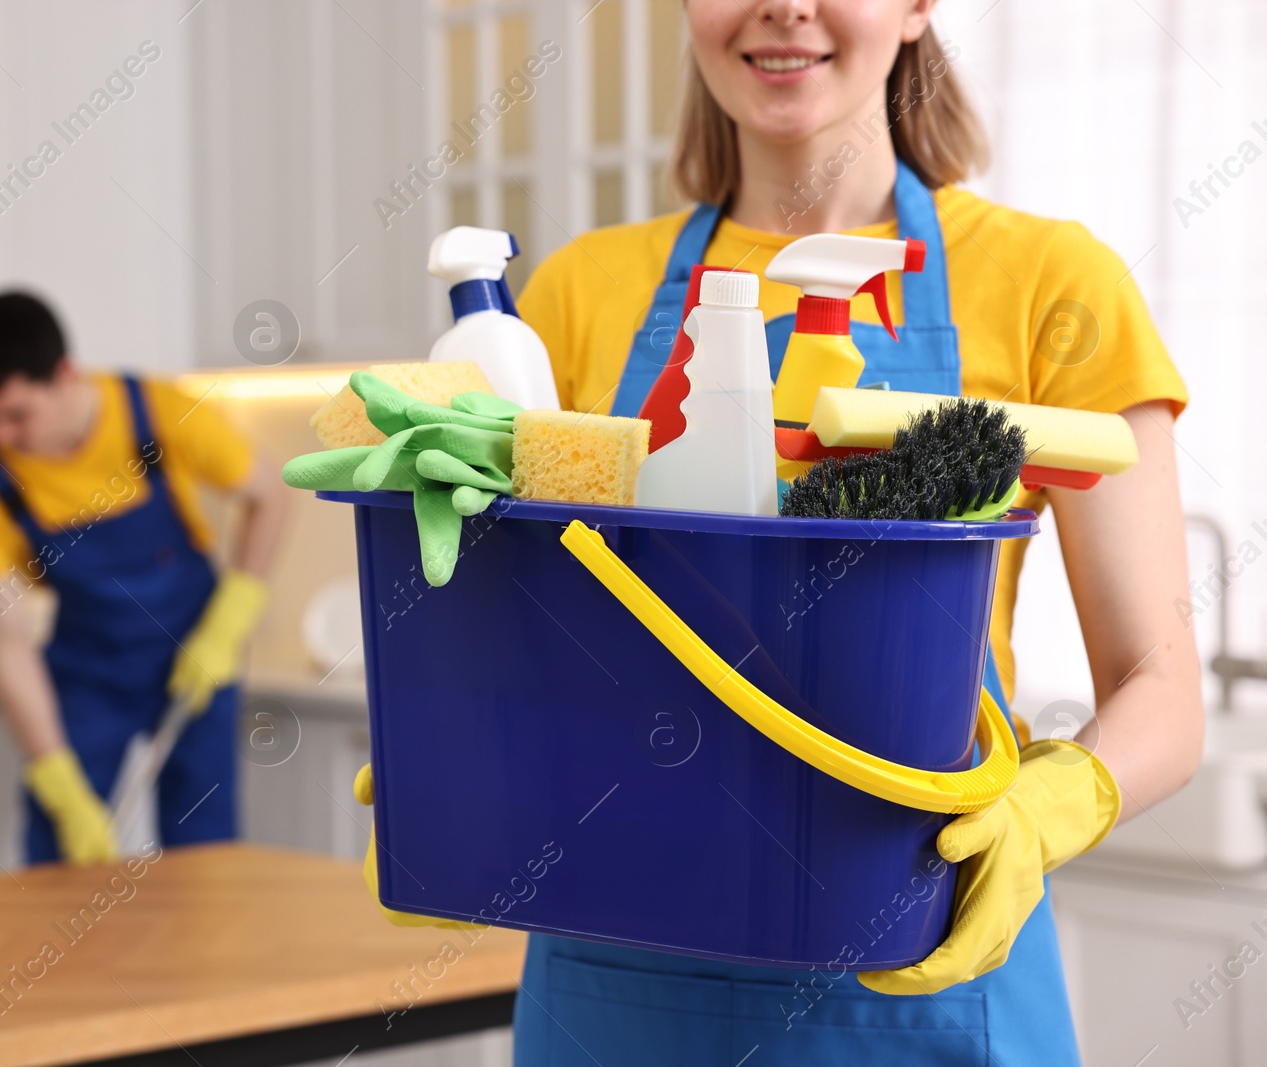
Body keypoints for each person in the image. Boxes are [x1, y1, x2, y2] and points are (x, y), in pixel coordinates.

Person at [510, 0, 1203, 1062]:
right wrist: (458, 730)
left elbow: (1158, 679)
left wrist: (1043, 810)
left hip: (917, 951)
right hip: (620, 965)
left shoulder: (1050, 283)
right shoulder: (575, 291)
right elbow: (531, 630)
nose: (785, 7)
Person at [0, 291, 287, 866]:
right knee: (57, 850)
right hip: (88, 670)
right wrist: (57, 780)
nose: (2, 436)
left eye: (18, 415)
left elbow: (269, 495)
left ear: (65, 375)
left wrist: (233, 615)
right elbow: (7, 643)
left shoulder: (158, 412)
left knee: (207, 853)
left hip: (196, 649)